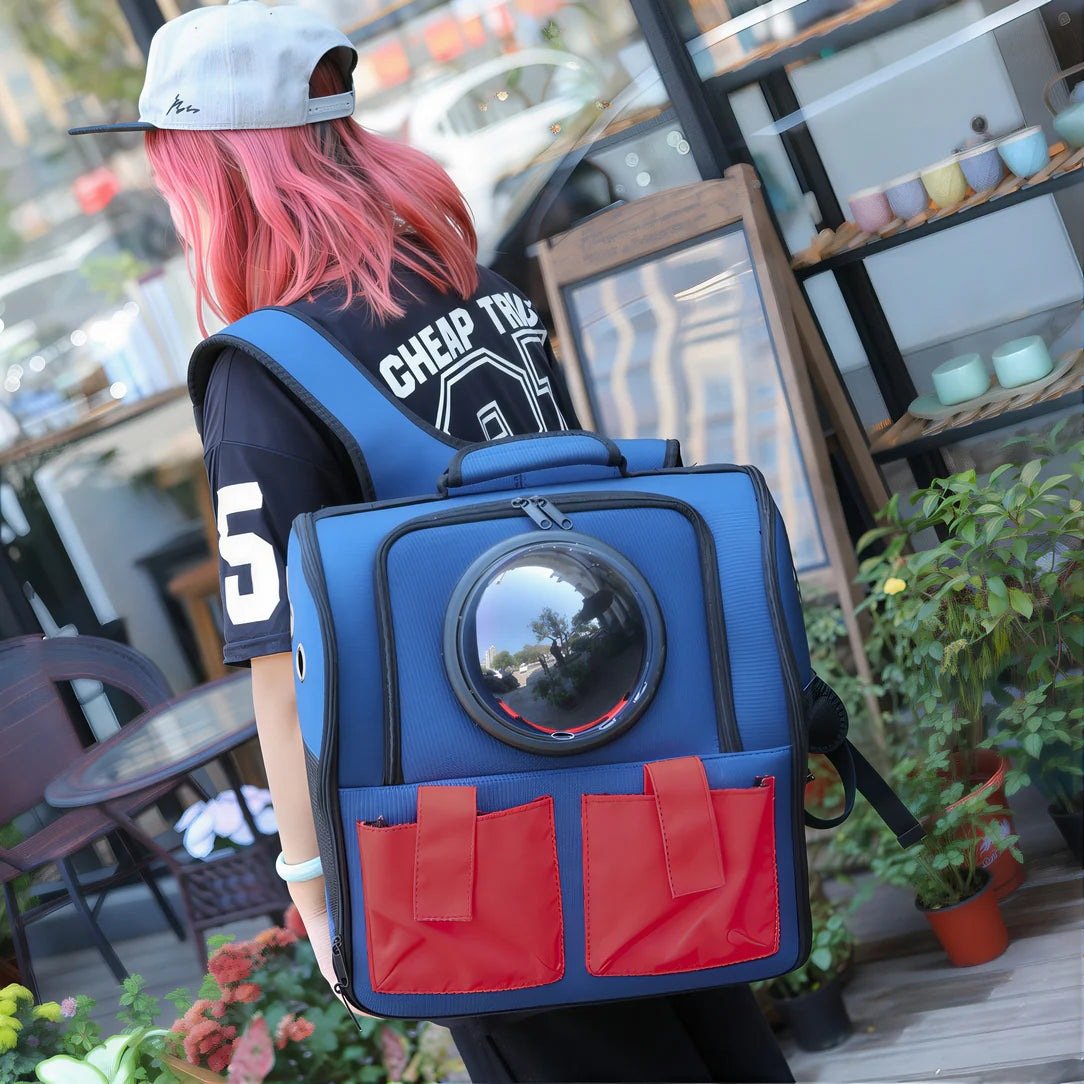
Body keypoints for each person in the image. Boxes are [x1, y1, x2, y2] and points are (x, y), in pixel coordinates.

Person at [72, 3, 793, 1080]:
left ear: (215, 173)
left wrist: (313, 892)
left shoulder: (262, 375)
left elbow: (282, 676)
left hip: (471, 846)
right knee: (722, 1045)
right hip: (638, 775)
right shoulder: (470, 285)